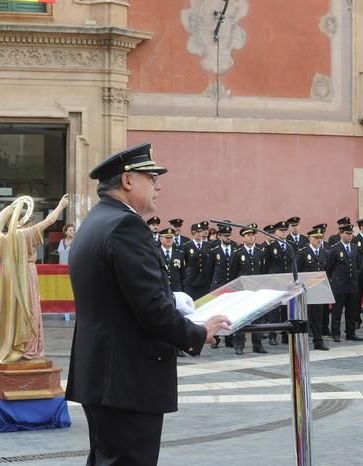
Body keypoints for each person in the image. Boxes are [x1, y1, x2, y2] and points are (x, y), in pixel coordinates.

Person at [66, 143, 230, 465]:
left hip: (102, 375)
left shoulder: (96, 222)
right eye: (151, 177)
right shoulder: (127, 226)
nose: (158, 185)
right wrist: (197, 333)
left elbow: (123, 297)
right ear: (128, 181)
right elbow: (151, 309)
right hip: (127, 379)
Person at [0, 193, 69, 364]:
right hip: (26, 274)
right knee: (30, 308)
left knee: (14, 309)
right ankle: (28, 346)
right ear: (26, 221)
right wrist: (61, 206)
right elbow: (50, 221)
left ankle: (12, 342)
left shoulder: (7, 237)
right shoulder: (25, 234)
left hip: (11, 278)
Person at [229, 224, 268, 355]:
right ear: (243, 238)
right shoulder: (238, 253)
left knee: (257, 317)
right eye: (248, 235)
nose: (251, 238)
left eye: (253, 235)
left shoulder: (260, 252)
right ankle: (239, 345)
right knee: (241, 318)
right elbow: (233, 274)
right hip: (242, 290)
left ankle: (258, 344)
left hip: (256, 290)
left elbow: (263, 271)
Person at [297, 227, 329, 351]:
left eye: (320, 238)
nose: (319, 240)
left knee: (317, 317)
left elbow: (326, 270)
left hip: (319, 289)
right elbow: (297, 271)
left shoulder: (323, 252)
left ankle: (318, 340)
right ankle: (301, 340)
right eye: (316, 238)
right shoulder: (303, 252)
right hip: (306, 289)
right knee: (304, 317)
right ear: (310, 238)